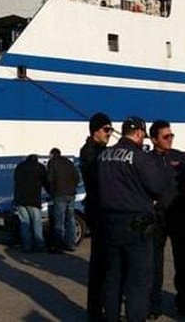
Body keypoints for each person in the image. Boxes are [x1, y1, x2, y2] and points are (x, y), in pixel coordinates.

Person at [98, 116, 165, 322]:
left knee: (113, 280)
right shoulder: (139, 157)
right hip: (136, 226)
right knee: (138, 283)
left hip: (110, 224)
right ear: (138, 134)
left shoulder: (104, 156)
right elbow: (157, 187)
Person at [147, 120, 185, 319]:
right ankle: (154, 305)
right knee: (154, 265)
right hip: (157, 220)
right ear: (154, 139)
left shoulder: (181, 158)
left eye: (171, 135)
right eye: (165, 136)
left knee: (183, 265)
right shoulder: (146, 160)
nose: (170, 139)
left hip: (179, 218)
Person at [80, 112, 114, 321]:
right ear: (95, 131)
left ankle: (102, 306)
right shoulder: (90, 151)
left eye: (111, 130)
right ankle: (95, 311)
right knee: (100, 265)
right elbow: (97, 178)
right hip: (99, 211)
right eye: (106, 130)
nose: (110, 134)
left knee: (106, 263)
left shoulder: (99, 150)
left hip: (101, 209)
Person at [13, 154, 50, 252]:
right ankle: (40, 245)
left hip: (20, 199)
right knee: (36, 222)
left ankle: (27, 246)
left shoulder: (19, 166)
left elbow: (16, 180)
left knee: (25, 223)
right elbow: (46, 182)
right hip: (33, 199)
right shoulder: (40, 167)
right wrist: (51, 192)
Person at [47, 147, 80, 253]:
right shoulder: (69, 163)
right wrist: (73, 188)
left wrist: (52, 192)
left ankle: (58, 246)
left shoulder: (52, 163)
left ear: (52, 154)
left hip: (59, 194)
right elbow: (77, 178)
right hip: (71, 194)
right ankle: (71, 244)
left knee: (59, 221)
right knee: (70, 219)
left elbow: (50, 179)